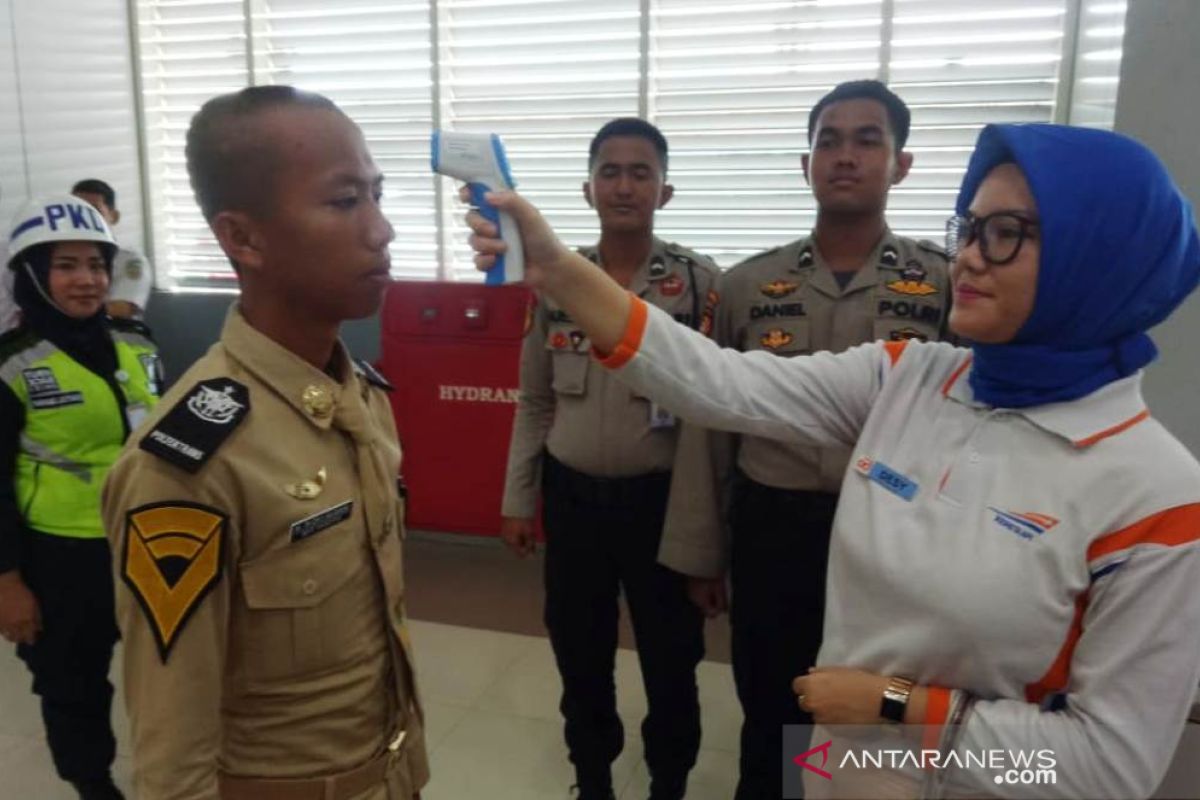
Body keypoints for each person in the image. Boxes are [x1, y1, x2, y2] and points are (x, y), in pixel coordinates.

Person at [465, 122, 1200, 799]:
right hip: (841, 764)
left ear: (1099, 258)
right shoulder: (911, 376)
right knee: (774, 760)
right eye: (971, 227)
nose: (970, 255)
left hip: (952, 772)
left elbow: (1110, 768)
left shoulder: (1155, 497)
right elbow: (718, 382)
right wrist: (556, 268)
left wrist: (900, 713)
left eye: (1008, 234)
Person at [100, 85, 428, 800]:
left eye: (376, 194)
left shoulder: (361, 396)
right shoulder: (188, 465)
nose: (382, 231)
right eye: (344, 202)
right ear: (242, 238)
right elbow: (171, 744)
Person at [657, 79, 952, 800]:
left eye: (867, 140)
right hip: (775, 527)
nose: (845, 156)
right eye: (829, 140)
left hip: (894, 534)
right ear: (807, 163)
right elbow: (708, 415)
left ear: (902, 164)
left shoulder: (942, 285)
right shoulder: (750, 284)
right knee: (771, 703)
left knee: (873, 714)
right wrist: (702, 551)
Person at [499, 117, 720, 800]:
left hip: (661, 506)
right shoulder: (557, 280)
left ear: (666, 189)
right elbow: (534, 400)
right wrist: (518, 498)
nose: (625, 186)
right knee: (580, 654)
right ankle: (591, 778)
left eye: (641, 172)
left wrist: (707, 537)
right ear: (588, 188)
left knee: (671, 661)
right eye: (611, 172)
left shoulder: (700, 283)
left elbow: (713, 419)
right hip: (574, 502)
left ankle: (668, 784)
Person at [0, 193, 164, 800]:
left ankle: (174, 771)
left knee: (168, 671)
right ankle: (92, 783)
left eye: (96, 265)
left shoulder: (138, 345)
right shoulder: (12, 366)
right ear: (34, 277)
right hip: (60, 558)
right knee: (74, 685)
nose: (87, 280)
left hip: (150, 542)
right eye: (66, 266)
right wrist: (6, 581)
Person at [72, 179, 154, 319]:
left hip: (113, 336)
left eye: (94, 211)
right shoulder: (58, 257)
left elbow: (122, 309)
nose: (84, 218)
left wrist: (63, 312)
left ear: (114, 217)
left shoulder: (129, 260)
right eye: (77, 211)